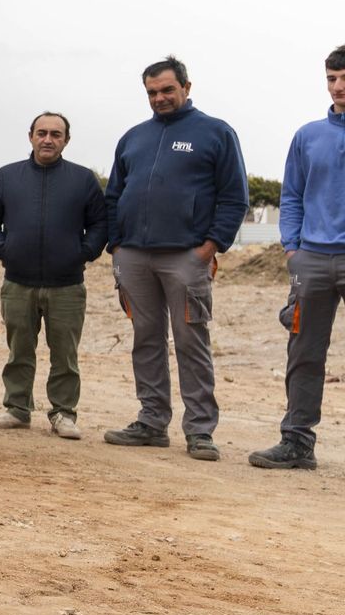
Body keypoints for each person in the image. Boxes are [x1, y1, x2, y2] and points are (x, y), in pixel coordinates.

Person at [103, 56, 247, 462]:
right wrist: (116, 244)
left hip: (186, 256)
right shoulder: (133, 137)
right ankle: (151, 423)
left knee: (191, 342)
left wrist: (210, 247)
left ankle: (200, 431)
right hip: (133, 257)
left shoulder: (216, 133)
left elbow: (235, 197)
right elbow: (114, 194)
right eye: (152, 92)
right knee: (145, 341)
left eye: (167, 90)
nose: (159, 98)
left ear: (186, 86)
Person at [0, 112, 107, 439]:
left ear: (66, 140)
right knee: (19, 350)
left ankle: (63, 414)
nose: (48, 139)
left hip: (68, 285)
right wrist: (2, 249)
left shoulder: (83, 179)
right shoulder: (8, 176)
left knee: (65, 355)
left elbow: (102, 223)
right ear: (30, 136)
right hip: (17, 282)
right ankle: (17, 409)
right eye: (42, 133)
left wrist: (83, 252)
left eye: (56, 134)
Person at [250, 47, 345, 470]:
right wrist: (292, 248)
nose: (338, 87)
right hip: (311, 261)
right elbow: (291, 195)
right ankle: (297, 441)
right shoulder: (308, 135)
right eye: (331, 78)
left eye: (344, 78)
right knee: (304, 352)